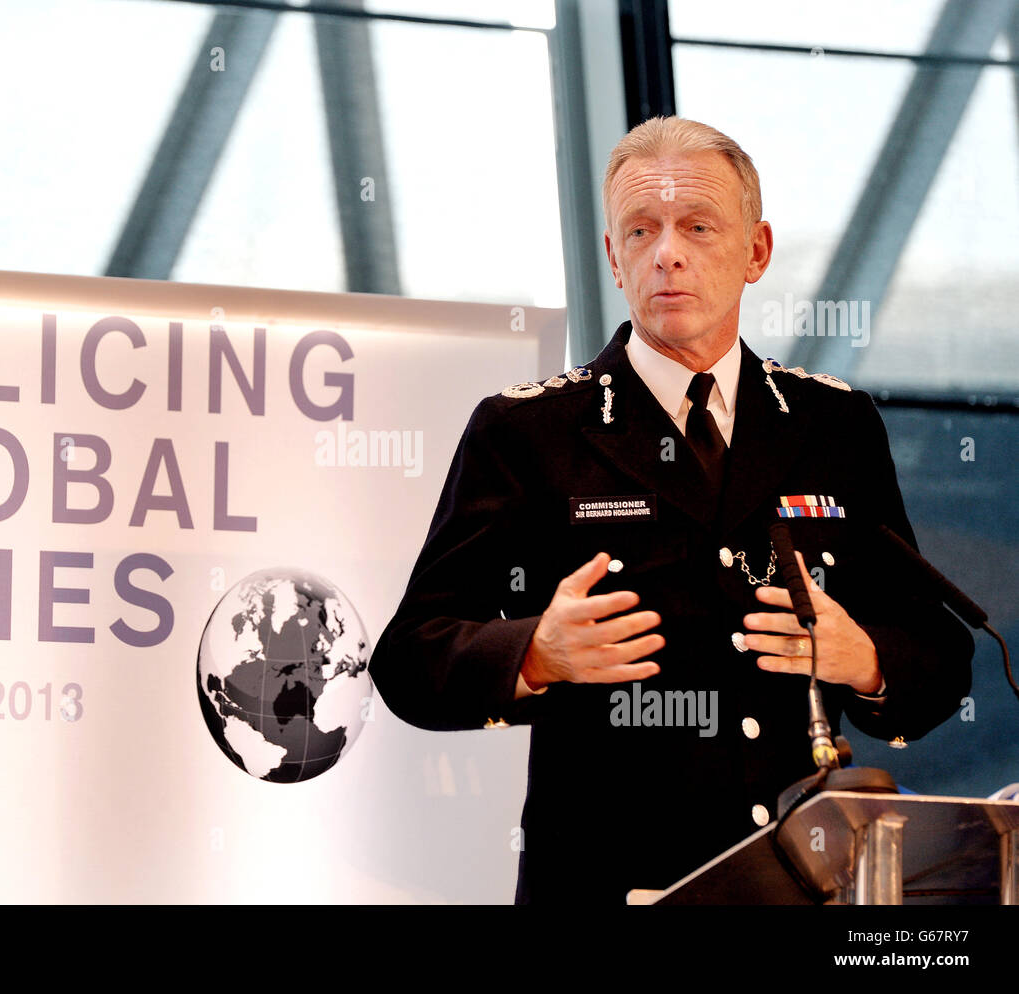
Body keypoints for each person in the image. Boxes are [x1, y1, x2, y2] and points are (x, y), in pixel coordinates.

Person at [368, 117, 974, 905]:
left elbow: (937, 658)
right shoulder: (527, 431)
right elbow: (410, 660)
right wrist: (534, 654)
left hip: (803, 884)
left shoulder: (834, 427)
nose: (668, 252)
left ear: (756, 251)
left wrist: (866, 657)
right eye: (641, 231)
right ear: (615, 258)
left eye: (696, 226)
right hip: (608, 887)